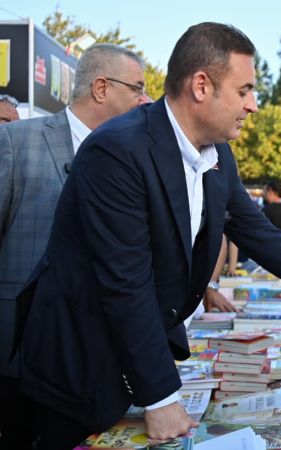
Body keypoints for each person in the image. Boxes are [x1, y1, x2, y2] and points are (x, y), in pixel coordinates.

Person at [14, 23, 281, 449]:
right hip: (80, 364)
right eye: (244, 91)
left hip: (135, 356)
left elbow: (257, 232)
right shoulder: (117, 149)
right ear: (201, 86)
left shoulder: (216, 152)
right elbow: (124, 280)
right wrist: (161, 394)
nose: (254, 105)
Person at [0, 44, 147, 450]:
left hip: (94, 361)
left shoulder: (130, 159)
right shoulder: (16, 141)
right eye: (136, 88)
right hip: (18, 356)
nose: (144, 99)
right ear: (102, 87)